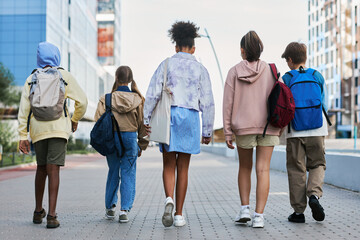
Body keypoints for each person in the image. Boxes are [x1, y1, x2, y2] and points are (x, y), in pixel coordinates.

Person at [143, 21, 215, 227]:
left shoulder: (165, 64)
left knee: (168, 164)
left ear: (175, 46)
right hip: (190, 118)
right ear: (193, 48)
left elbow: (152, 94)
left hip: (169, 117)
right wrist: (207, 130)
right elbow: (207, 102)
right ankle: (179, 215)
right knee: (183, 168)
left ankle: (169, 200)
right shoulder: (201, 69)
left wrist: (146, 120)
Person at [18, 42, 87, 228]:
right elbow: (83, 101)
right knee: (53, 169)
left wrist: (22, 136)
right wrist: (74, 119)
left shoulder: (31, 78)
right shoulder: (64, 76)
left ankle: (38, 211)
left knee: (41, 169)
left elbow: (23, 110)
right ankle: (52, 216)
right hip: (58, 129)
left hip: (38, 130)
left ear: (39, 58)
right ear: (56, 57)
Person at [223, 31, 281, 228]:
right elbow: (279, 100)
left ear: (242, 50)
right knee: (263, 169)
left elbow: (228, 104)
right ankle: (259, 216)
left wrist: (228, 131)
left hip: (244, 127)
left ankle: (244, 209)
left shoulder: (234, 72)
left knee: (245, 168)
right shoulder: (272, 71)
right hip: (268, 127)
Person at [94, 66, 149, 223]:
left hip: (112, 139)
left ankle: (110, 209)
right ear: (131, 80)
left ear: (116, 78)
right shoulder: (138, 100)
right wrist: (142, 145)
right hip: (130, 139)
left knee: (113, 171)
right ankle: (124, 210)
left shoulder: (107, 99)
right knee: (128, 173)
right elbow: (143, 125)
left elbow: (97, 119)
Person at [281, 42, 328, 223]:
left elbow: (282, 105)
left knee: (296, 169)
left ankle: (299, 213)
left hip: (295, 130)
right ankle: (314, 195)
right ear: (305, 57)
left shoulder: (286, 78)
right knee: (317, 164)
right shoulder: (317, 75)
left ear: (290, 59)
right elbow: (323, 102)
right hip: (317, 128)